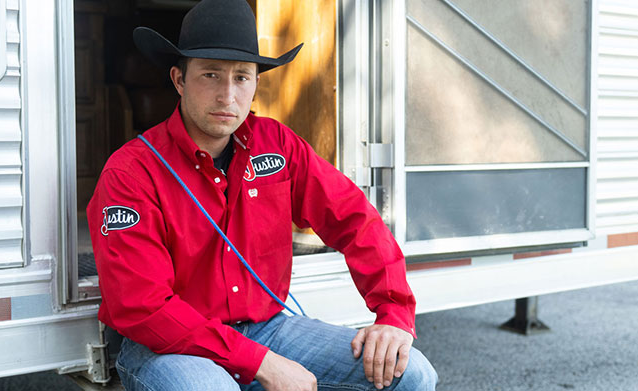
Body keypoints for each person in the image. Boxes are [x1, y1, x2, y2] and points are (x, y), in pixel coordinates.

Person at [87, 0, 438, 390]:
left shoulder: (278, 145)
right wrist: (262, 363)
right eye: (210, 75)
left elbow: (355, 219)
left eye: (241, 77)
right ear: (179, 80)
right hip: (169, 346)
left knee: (414, 374)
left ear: (256, 84)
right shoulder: (131, 172)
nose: (227, 95)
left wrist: (393, 314)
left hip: (267, 330)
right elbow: (143, 307)